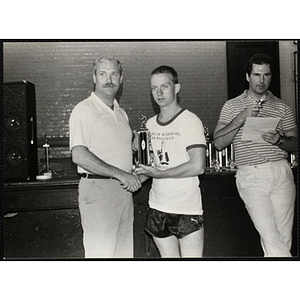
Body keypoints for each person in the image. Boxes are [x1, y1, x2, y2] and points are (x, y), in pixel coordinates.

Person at [214, 53, 297, 257]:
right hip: (251, 174)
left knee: (283, 238)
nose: (261, 80)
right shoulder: (232, 106)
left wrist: (279, 140)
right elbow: (218, 142)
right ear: (247, 76)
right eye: (257, 74)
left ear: (271, 77)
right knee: (271, 237)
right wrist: (241, 118)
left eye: (266, 75)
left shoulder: (282, 107)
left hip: (281, 172)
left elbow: (295, 143)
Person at [69, 55, 141, 258]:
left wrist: (134, 148)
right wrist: (121, 174)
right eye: (103, 74)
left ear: (121, 78)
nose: (109, 79)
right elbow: (79, 155)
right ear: (94, 78)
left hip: (124, 192)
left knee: (123, 255)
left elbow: (114, 151)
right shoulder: (84, 110)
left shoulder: (121, 113)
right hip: (99, 191)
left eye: (114, 74)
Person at [135, 65, 206, 258]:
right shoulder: (148, 125)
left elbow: (198, 165)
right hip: (158, 206)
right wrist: (130, 177)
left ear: (176, 88)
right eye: (154, 88)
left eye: (164, 86)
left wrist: (160, 174)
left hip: (186, 208)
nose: (159, 92)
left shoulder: (190, 121)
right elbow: (149, 169)